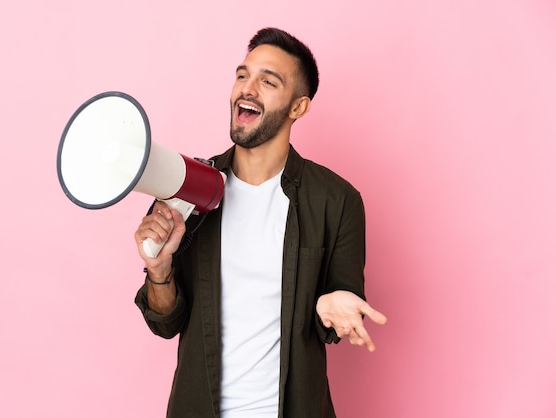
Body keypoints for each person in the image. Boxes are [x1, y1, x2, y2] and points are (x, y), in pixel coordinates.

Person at [134, 27, 387, 418]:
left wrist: (327, 305)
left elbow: (335, 319)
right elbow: (166, 323)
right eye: (242, 75)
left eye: (268, 81)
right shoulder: (185, 187)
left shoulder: (337, 201)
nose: (247, 89)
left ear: (298, 107)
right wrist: (159, 271)